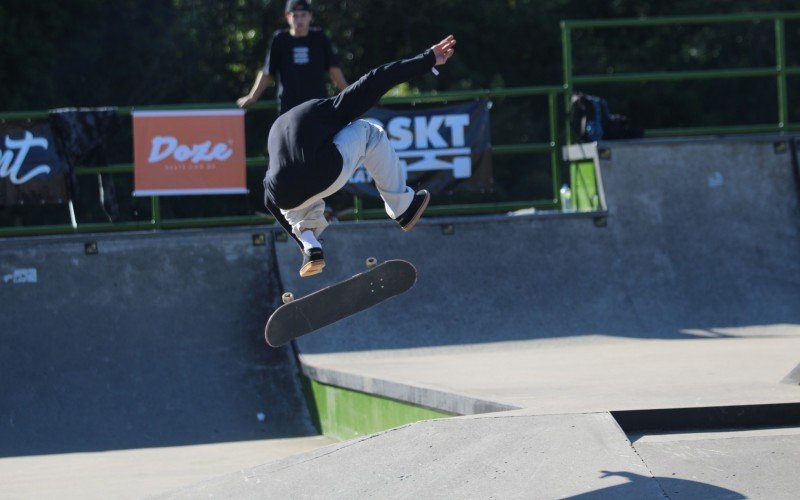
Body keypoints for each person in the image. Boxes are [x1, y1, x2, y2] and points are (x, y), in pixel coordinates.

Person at [264, 35, 457, 277]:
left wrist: (299, 242)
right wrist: (427, 59)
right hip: (323, 172)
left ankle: (310, 246)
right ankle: (403, 207)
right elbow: (376, 79)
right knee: (369, 131)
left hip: (281, 194)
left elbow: (269, 200)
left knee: (291, 193)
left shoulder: (276, 132)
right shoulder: (324, 108)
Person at [237, 0, 348, 115]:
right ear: (287, 17)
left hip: (316, 106)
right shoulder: (280, 39)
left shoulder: (319, 38)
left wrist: (348, 92)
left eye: (303, 15)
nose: (299, 20)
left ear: (310, 16)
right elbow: (268, 71)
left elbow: (333, 68)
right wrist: (252, 96)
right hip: (289, 108)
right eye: (295, 16)